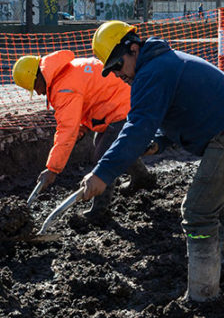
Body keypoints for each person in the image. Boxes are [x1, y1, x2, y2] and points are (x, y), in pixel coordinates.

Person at [78, 20, 224, 302]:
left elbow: (137, 127)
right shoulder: (160, 64)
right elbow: (180, 112)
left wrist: (102, 173)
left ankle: (203, 295)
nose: (117, 75)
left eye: (117, 65)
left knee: (197, 212)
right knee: (216, 199)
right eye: (111, 71)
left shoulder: (152, 72)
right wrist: (160, 143)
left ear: (132, 49)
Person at [12, 50, 156, 221]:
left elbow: (66, 130)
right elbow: (92, 95)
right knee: (114, 145)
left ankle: (99, 211)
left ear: (38, 77)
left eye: (35, 87)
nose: (38, 93)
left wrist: (52, 169)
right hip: (120, 103)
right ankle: (142, 178)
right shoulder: (64, 72)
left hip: (123, 107)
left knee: (103, 155)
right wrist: (83, 126)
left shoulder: (63, 87)